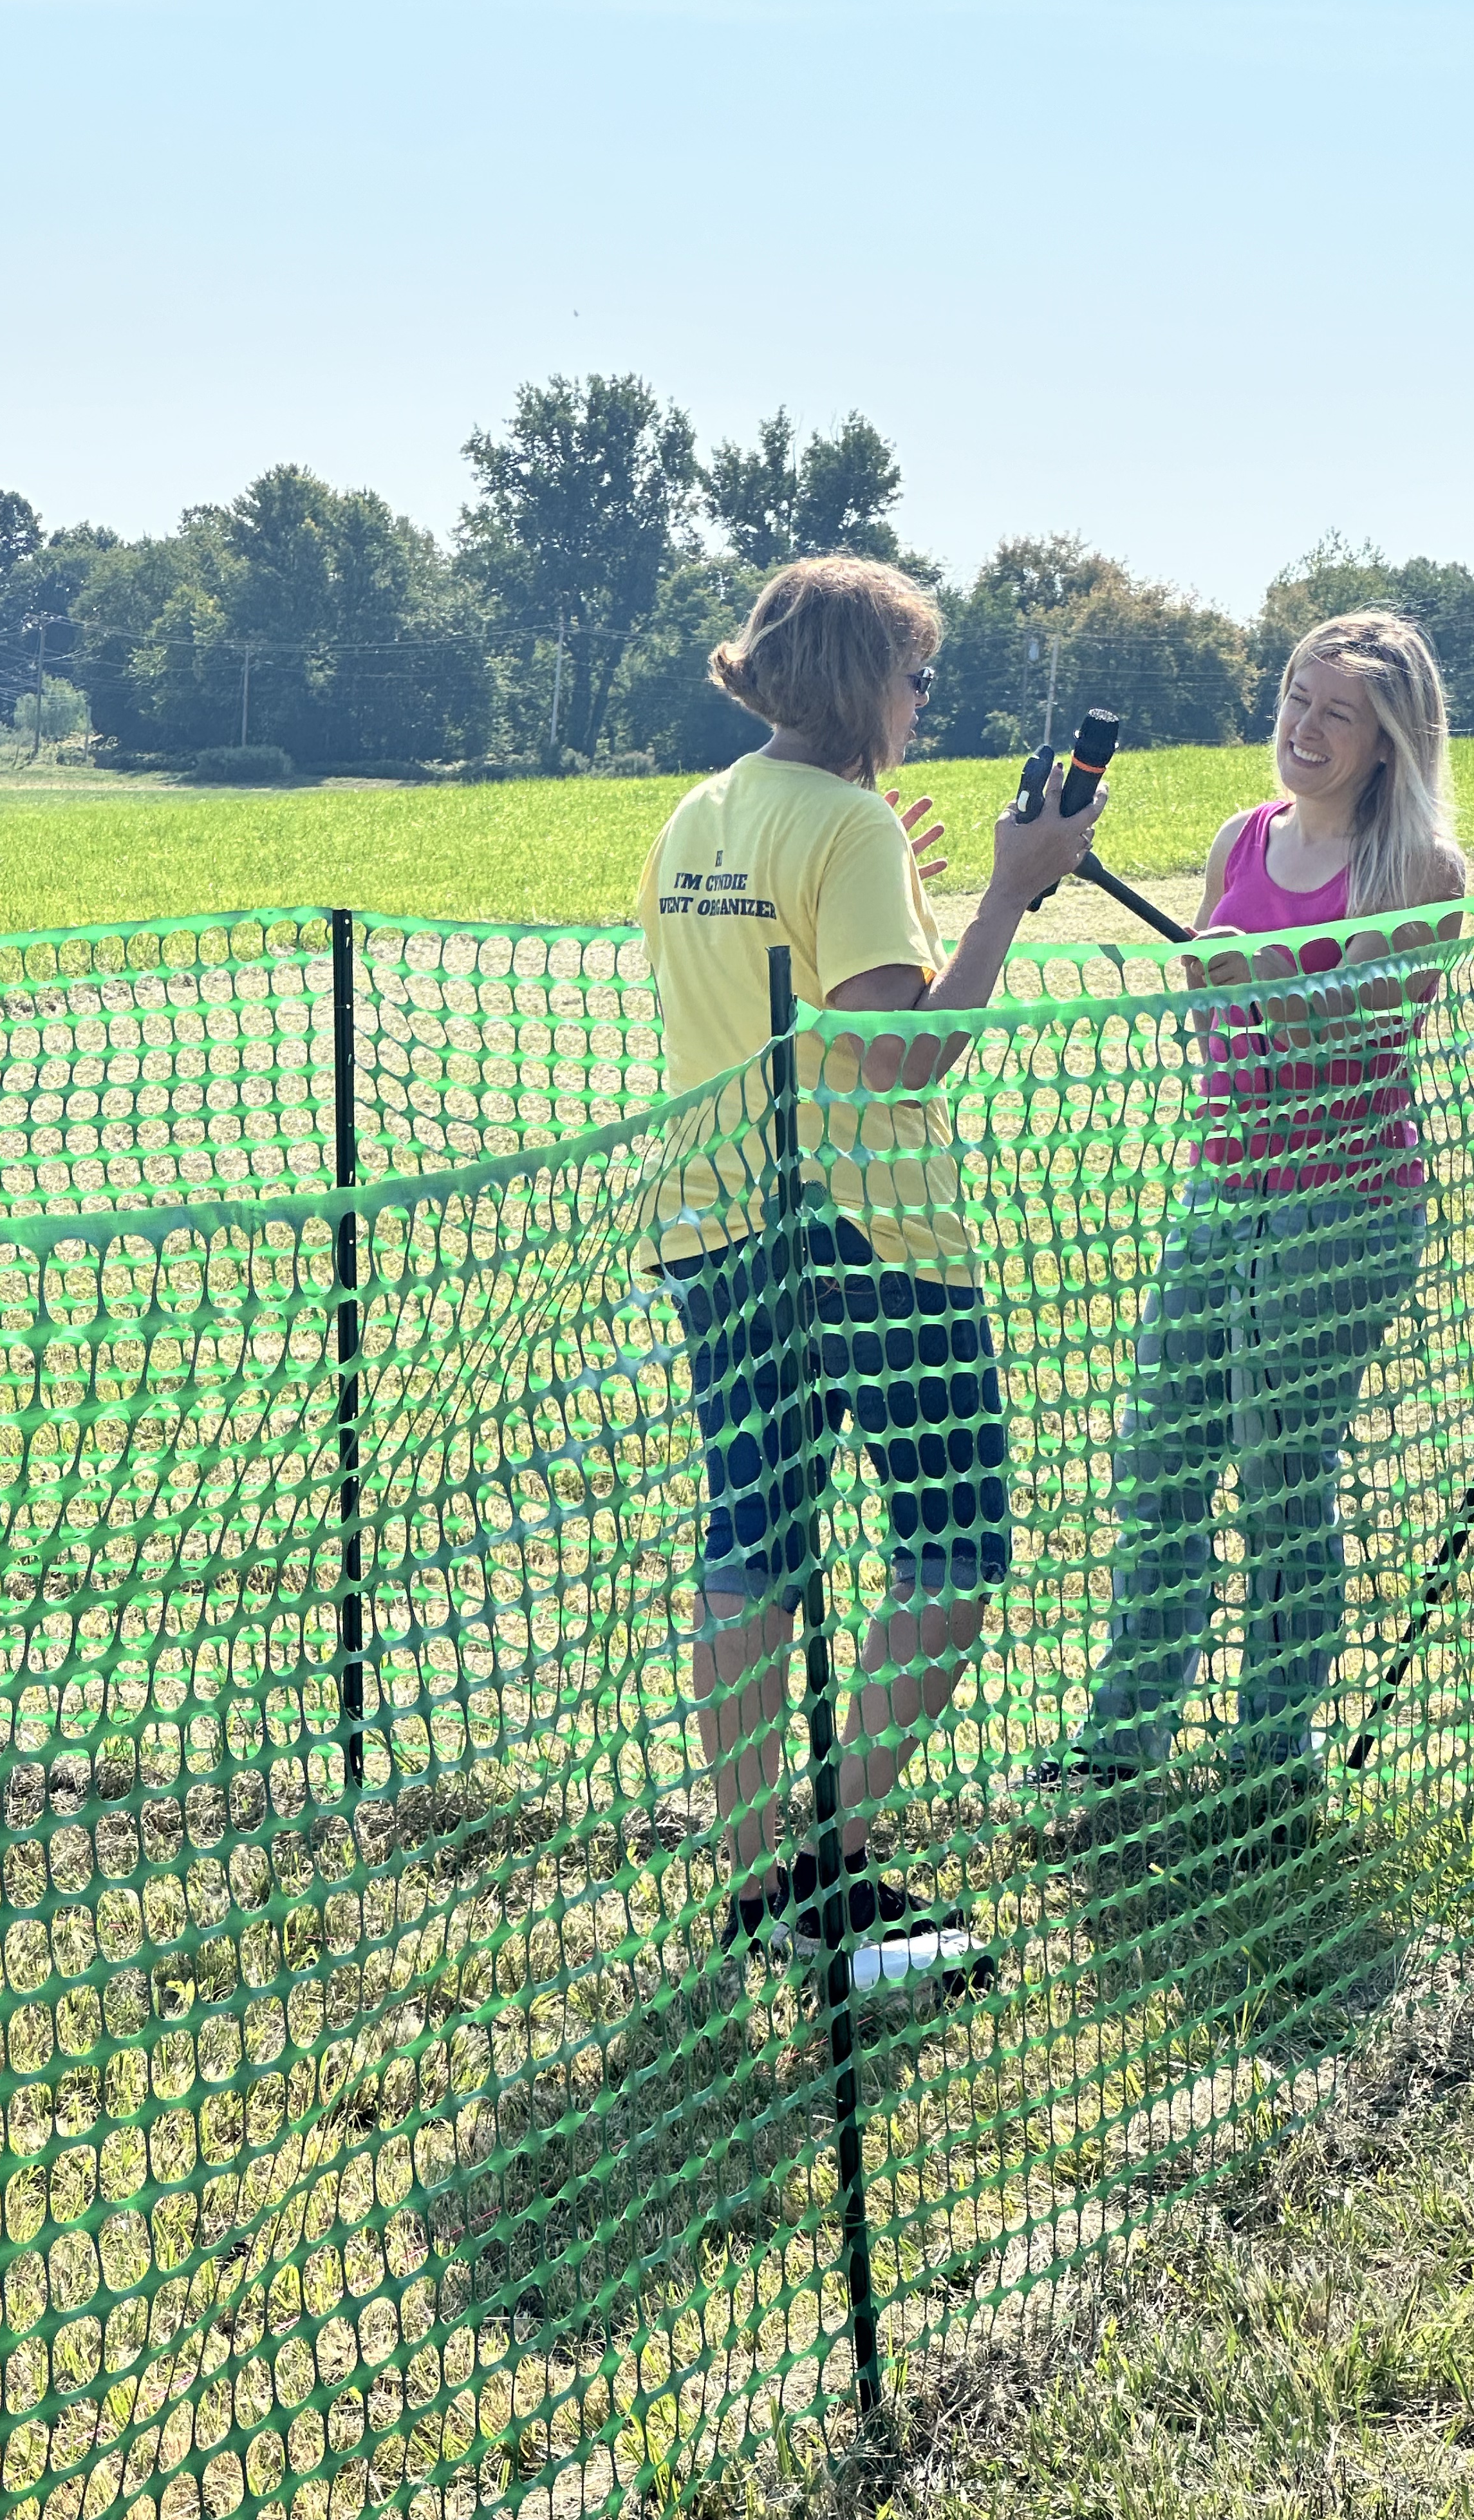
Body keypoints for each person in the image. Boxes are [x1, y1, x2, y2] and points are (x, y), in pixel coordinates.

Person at [636, 553, 1105, 1974]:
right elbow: (903, 1061)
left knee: (753, 1537)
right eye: (919, 675)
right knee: (954, 1545)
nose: (925, 698)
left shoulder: (701, 811)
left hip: (714, 1218)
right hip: (869, 1236)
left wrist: (881, 872)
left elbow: (768, 973)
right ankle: (819, 1868)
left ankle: (749, 1875)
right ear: (864, 683)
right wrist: (1012, 894)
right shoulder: (846, 828)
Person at [1038, 610, 1467, 1800]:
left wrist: (1272, 983)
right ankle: (1122, 1735)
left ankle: (1272, 1756)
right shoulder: (1241, 839)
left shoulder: (1418, 868)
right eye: (1296, 696)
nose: (1307, 727)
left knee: (1282, 1471)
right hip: (1223, 1183)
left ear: (1389, 738)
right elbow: (1213, 1014)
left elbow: (1383, 1034)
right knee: (1163, 1457)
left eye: (1340, 711)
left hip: (1345, 1200)